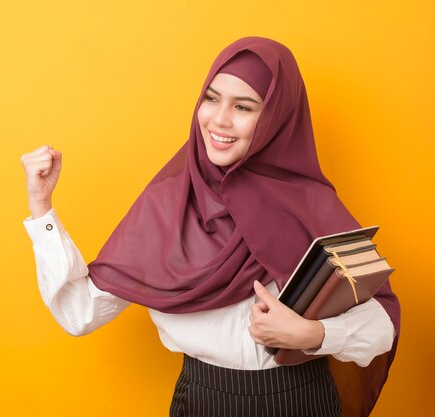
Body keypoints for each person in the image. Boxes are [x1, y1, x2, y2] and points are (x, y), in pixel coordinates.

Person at [20, 37, 400, 417]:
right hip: (204, 399)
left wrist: (312, 335)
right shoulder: (167, 204)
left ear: (276, 118)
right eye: (212, 98)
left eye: (244, 107)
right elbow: (79, 312)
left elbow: (382, 324)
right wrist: (42, 208)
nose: (219, 119)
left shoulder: (313, 205)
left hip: (299, 399)